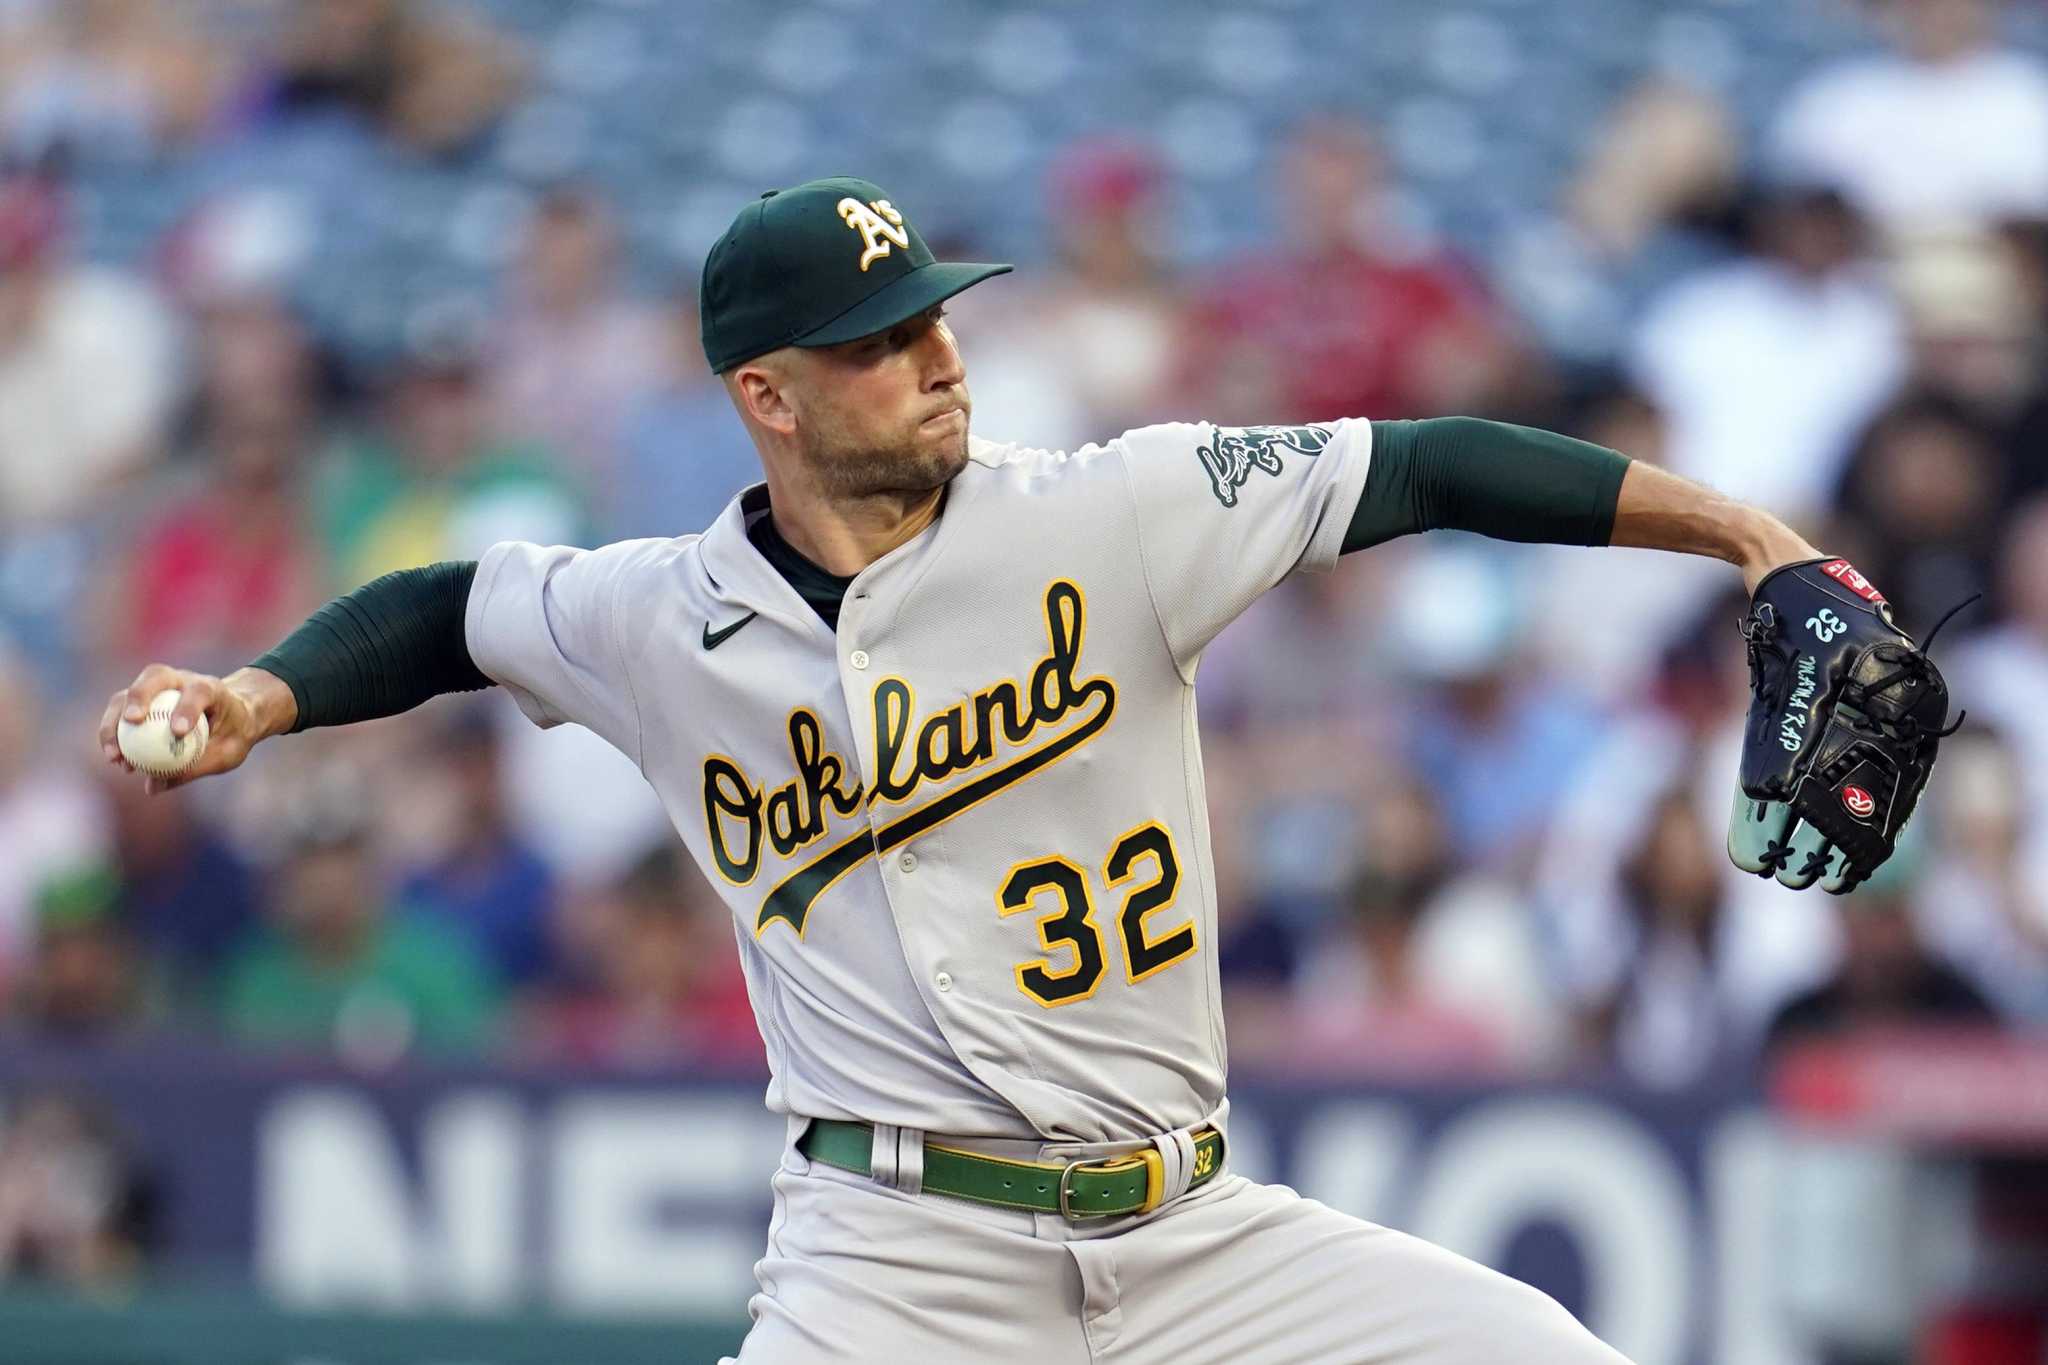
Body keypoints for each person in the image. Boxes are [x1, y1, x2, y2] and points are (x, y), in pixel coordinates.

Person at [101, 175, 1837, 1363]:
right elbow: (451, 608)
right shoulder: (658, 618)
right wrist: (260, 696)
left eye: (933, 312)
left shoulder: (1114, 510)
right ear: (766, 396)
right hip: (893, 1260)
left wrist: (1749, 538)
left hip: (1197, 1231)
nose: (936, 352)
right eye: (878, 338)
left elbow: (1432, 462)